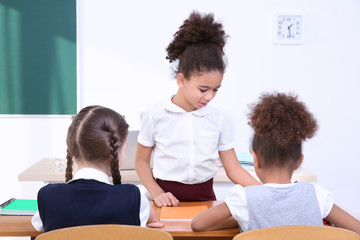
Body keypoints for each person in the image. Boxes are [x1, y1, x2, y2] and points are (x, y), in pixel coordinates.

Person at [135, 11, 259, 208]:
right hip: (166, 199)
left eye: (215, 90)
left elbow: (233, 168)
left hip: (206, 198)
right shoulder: (155, 115)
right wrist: (157, 193)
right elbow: (141, 162)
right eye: (203, 89)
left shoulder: (219, 119)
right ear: (181, 80)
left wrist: (264, 191)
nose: (209, 97)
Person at [191, 92, 360, 234]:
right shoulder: (318, 195)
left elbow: (198, 224)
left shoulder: (243, 198)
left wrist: (243, 218)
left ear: (255, 159)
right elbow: (356, 229)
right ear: (298, 162)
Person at [31, 105, 163, 232]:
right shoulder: (135, 197)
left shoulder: (47, 197)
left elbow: (38, 224)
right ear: (116, 152)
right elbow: (149, 217)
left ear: (71, 148)